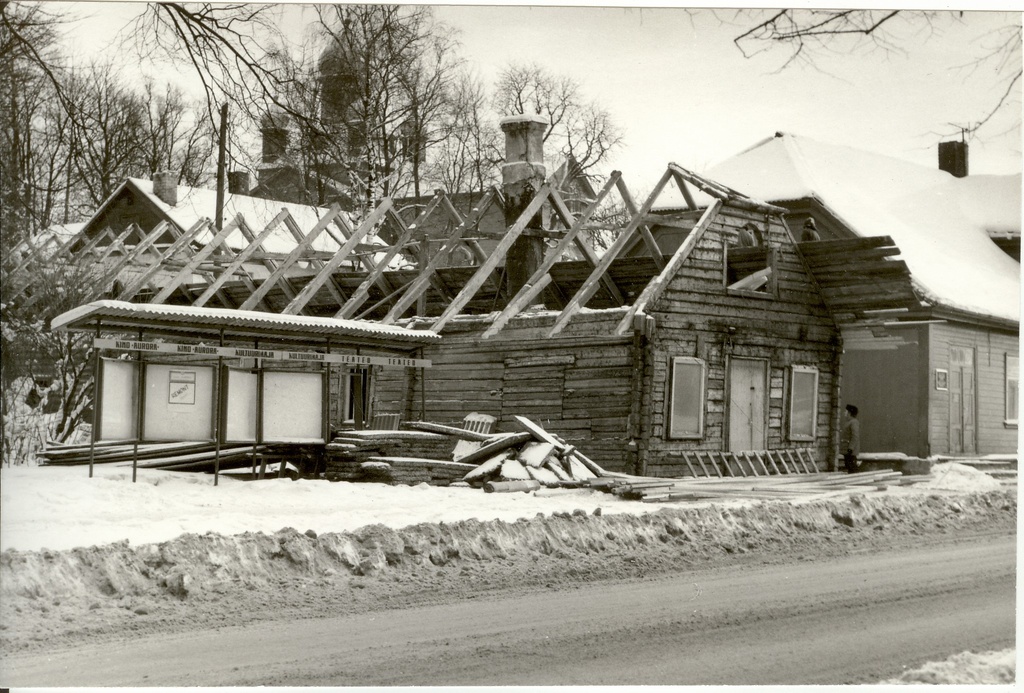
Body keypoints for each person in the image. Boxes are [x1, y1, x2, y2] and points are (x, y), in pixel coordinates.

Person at [840, 404, 861, 473]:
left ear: (849, 413)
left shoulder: (854, 422)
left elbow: (855, 436)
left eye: (846, 411)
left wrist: (850, 448)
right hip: (847, 451)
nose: (844, 413)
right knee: (849, 466)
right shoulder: (849, 422)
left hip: (850, 452)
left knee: (852, 467)